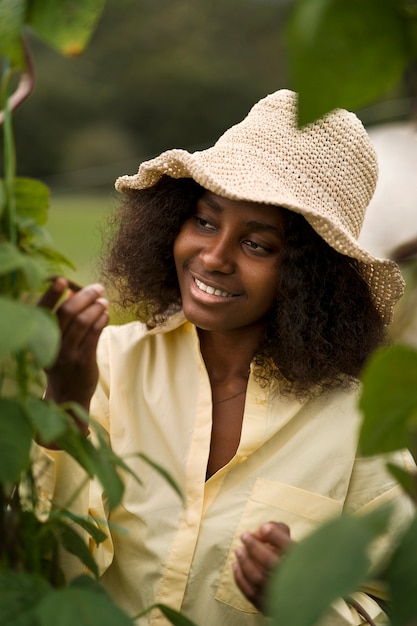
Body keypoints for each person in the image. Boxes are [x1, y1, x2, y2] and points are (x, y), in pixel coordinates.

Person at [39, 89, 414, 626]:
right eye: (206, 222)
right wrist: (65, 407)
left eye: (257, 244)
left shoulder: (359, 427)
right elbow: (48, 566)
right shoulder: (107, 366)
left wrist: (306, 602)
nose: (213, 257)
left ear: (312, 277)